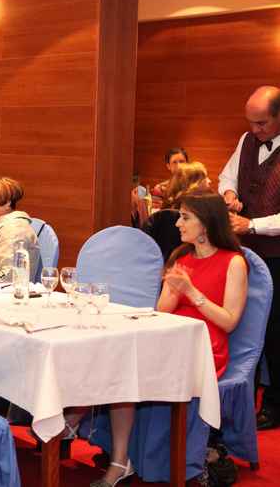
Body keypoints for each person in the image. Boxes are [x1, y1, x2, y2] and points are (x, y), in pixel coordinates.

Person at [67, 192, 248, 487]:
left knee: (125, 366)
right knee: (117, 358)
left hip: (203, 349)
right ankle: (114, 456)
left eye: (185, 217)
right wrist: (174, 291)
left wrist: (191, 292)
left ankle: (76, 425)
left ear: (206, 223)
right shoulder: (181, 258)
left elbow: (229, 321)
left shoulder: (234, 262)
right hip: (170, 341)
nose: (177, 223)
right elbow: (162, 312)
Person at [217, 85, 280, 429]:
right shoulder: (246, 141)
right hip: (242, 255)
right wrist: (229, 193)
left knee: (274, 332)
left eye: (262, 124)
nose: (255, 130)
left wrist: (252, 224)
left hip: (276, 257)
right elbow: (226, 175)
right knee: (243, 328)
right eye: (251, 123)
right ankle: (241, 401)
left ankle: (274, 405)